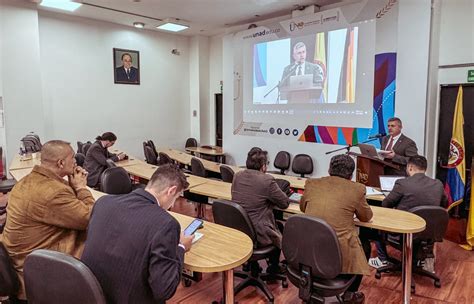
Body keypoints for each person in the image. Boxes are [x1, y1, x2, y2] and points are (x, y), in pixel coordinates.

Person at [81, 164, 192, 304]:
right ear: (171, 190)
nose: (173, 204)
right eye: (176, 197)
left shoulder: (103, 203)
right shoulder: (166, 224)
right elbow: (164, 290)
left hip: (91, 294)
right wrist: (181, 247)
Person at [2, 140, 94, 302]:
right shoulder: (52, 192)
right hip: (36, 272)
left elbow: (58, 203)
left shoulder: (27, 181)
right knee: (102, 244)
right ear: (61, 163)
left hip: (21, 261)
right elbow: (89, 218)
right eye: (72, 158)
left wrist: (73, 185)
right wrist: (81, 188)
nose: (75, 162)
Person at [301, 154, 373, 304]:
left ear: (328, 170)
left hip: (309, 249)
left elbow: (303, 207)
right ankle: (350, 294)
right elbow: (366, 217)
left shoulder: (311, 183)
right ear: (351, 174)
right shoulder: (357, 189)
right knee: (364, 245)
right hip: (338, 254)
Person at [368, 155, 448, 269]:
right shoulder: (438, 184)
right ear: (425, 169)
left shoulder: (402, 183)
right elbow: (444, 204)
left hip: (404, 233)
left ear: (410, 167)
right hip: (428, 232)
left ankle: (383, 260)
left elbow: (385, 204)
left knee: (376, 222)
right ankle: (422, 259)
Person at [231, 149, 291, 274]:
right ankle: (274, 268)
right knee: (278, 226)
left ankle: (252, 265)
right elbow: (284, 203)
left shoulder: (237, 176)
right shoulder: (267, 180)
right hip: (258, 233)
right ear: (263, 166)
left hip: (238, 230)